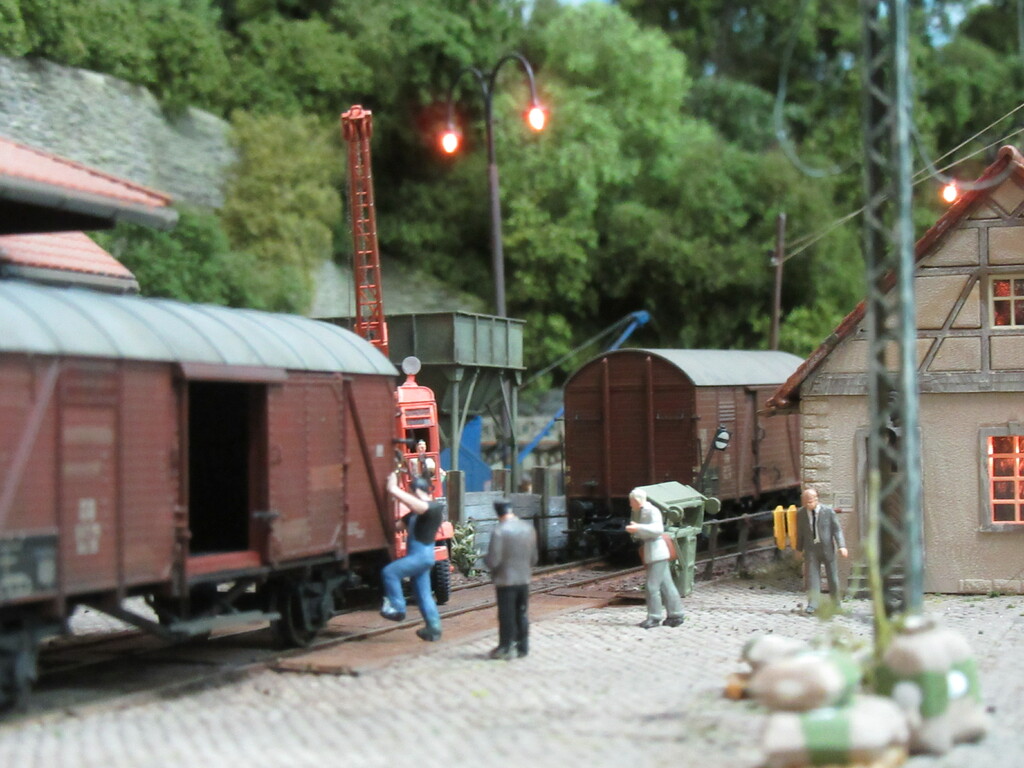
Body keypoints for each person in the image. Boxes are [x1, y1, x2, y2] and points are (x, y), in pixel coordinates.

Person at [380, 472, 445, 641]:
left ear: (416, 491)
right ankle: (433, 628)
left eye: (411, 492)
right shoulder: (413, 514)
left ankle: (397, 608)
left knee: (390, 572)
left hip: (421, 557)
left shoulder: (433, 508)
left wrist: (393, 489)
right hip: (419, 558)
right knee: (423, 595)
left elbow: (420, 507)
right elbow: (396, 526)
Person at [484, 499, 538, 660]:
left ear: (497, 512)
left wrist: (486, 562)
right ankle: (523, 646)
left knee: (506, 614)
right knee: (521, 612)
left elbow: (493, 560)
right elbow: (534, 558)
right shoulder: (528, 528)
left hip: (505, 580)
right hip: (524, 578)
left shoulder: (499, 531)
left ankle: (505, 646)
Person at [625, 487, 685, 629]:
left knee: (652, 586)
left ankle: (654, 617)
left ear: (637, 500)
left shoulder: (651, 511)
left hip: (657, 552)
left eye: (631, 501)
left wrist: (638, 528)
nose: (630, 504)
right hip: (653, 551)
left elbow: (658, 530)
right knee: (667, 585)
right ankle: (676, 614)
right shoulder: (642, 511)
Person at [795, 487, 848, 614]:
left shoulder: (828, 512)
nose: (808, 505)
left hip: (827, 549)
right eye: (805, 502)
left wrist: (841, 546)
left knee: (833, 578)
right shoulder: (801, 514)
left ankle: (836, 604)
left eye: (810, 502)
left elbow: (837, 530)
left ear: (816, 499)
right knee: (812, 578)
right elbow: (800, 533)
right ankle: (813, 604)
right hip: (811, 550)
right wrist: (798, 549)